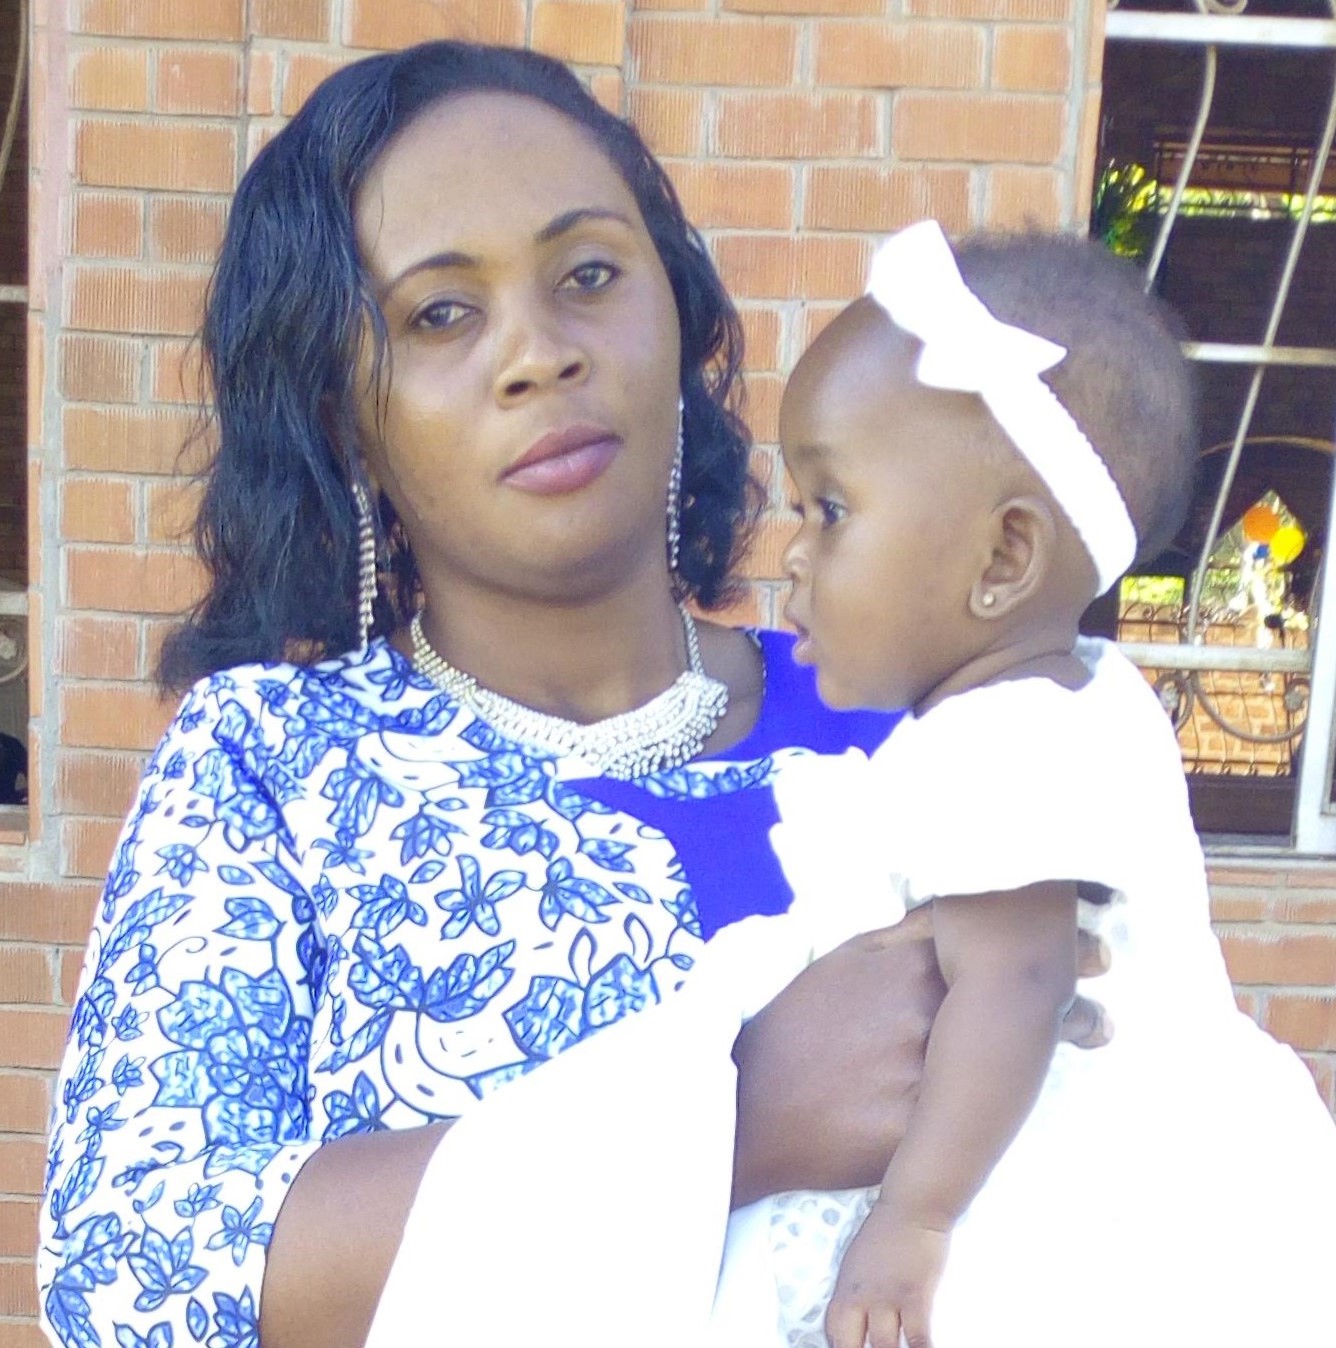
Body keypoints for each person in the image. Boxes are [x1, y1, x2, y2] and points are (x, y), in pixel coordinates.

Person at [36, 44, 1113, 1348]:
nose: (539, 353)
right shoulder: (269, 764)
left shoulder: (939, 717)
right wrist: (729, 1117)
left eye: (589, 275)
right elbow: (129, 1273)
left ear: (679, 318)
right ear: (343, 415)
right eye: (441, 314)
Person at [705, 220, 1336, 1348]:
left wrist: (913, 1218)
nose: (793, 552)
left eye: (830, 509)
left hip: (1035, 1202)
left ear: (1002, 559)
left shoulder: (1007, 741)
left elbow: (1018, 982)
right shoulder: (1075, 694)